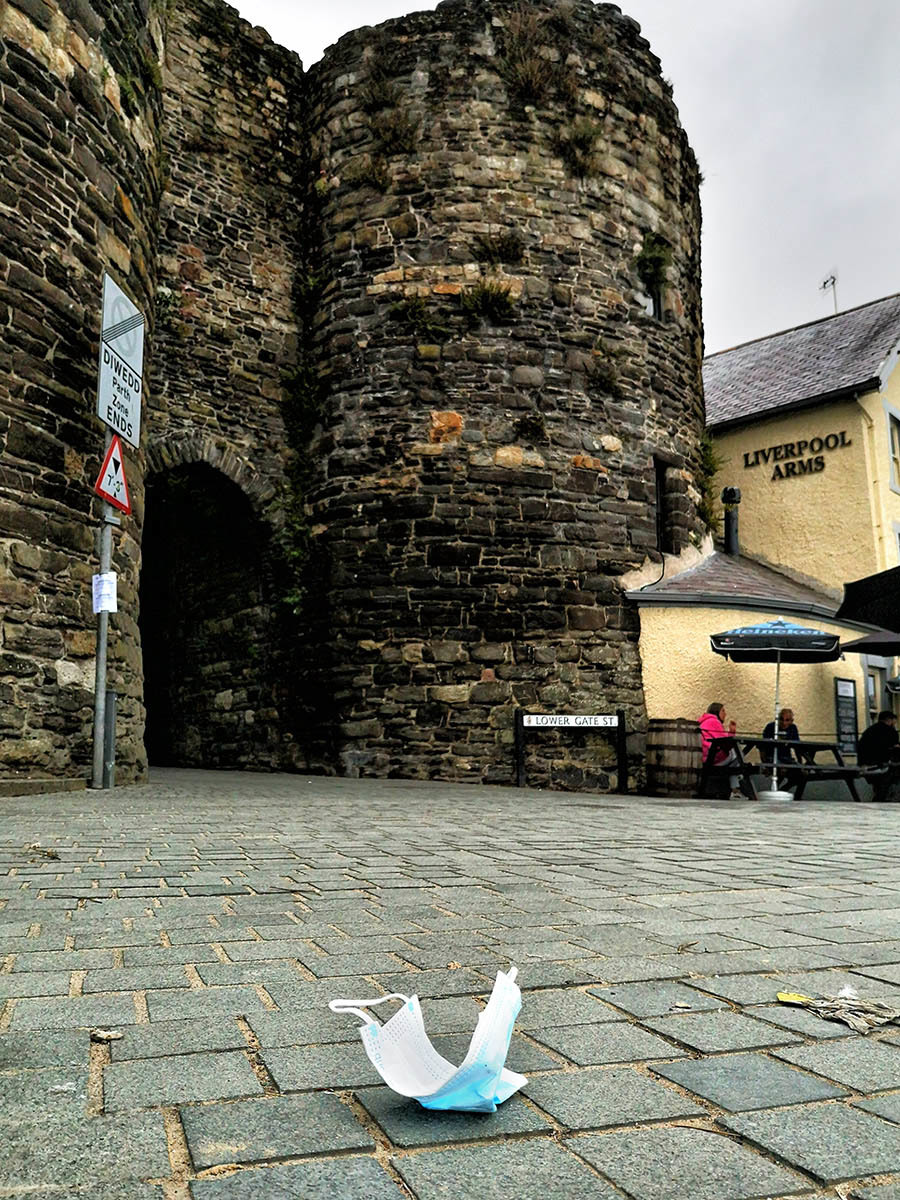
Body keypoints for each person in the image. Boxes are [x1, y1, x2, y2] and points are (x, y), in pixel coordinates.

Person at [699, 702, 745, 801]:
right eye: (723, 711)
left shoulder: (705, 721)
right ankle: (736, 785)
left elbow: (723, 742)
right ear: (717, 712)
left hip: (706, 756)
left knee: (736, 753)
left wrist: (731, 732)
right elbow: (725, 743)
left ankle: (736, 781)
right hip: (712, 758)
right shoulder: (714, 722)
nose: (725, 714)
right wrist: (731, 733)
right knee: (738, 752)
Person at [857, 711, 900, 800]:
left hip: (865, 764)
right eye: (894, 720)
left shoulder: (869, 730)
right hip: (882, 764)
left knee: (879, 785)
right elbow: (894, 748)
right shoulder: (890, 731)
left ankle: (880, 798)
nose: (895, 723)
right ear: (889, 720)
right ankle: (882, 799)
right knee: (887, 780)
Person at [761, 707, 802, 787]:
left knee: (800, 775)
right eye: (782, 719)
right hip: (772, 757)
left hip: (787, 759)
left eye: (787, 720)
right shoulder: (771, 727)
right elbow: (762, 747)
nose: (784, 722)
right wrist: (765, 764)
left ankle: (782, 790)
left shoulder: (793, 728)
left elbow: (797, 747)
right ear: (778, 719)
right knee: (782, 769)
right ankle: (777, 791)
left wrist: (801, 764)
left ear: (791, 721)